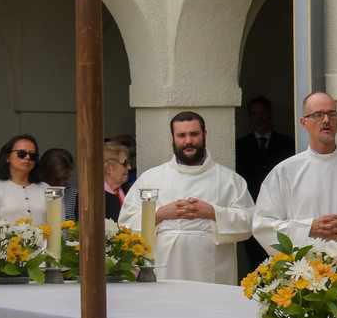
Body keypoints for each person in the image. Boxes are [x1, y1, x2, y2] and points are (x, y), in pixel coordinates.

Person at [116, 112, 254, 284]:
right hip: (166, 264)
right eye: (181, 135)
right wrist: (160, 214)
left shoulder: (230, 180)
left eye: (194, 134)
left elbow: (250, 222)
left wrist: (213, 212)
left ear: (204, 134)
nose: (188, 141)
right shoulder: (151, 178)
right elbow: (125, 225)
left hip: (211, 267)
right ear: (173, 137)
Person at [252, 93, 337, 248]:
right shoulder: (285, 171)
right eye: (318, 115)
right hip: (306, 269)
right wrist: (309, 228)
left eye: (332, 114)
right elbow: (263, 226)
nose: (326, 120)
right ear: (304, 123)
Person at [235, 95, 293, 196]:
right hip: (250, 198)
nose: (259, 118)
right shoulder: (240, 145)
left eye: (263, 112)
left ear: (270, 115)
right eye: (255, 114)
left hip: (280, 196)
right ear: (250, 117)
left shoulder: (287, 143)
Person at [0, 134, 45, 224]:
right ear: (7, 157)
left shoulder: (46, 189)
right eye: (21, 153)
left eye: (32, 155)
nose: (27, 157)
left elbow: (58, 227)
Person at [36, 149, 77, 221]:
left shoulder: (72, 192)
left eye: (65, 179)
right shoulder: (33, 190)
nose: (61, 184)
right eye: (57, 180)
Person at [100, 141, 129, 220]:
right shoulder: (92, 196)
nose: (129, 167)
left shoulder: (129, 190)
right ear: (109, 168)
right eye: (125, 163)